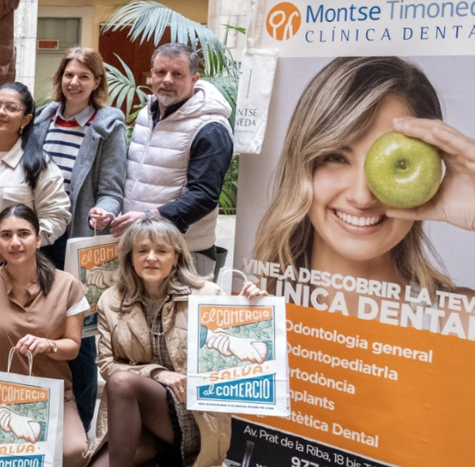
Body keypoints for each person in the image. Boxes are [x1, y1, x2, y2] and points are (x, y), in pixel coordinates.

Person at [70, 217, 266, 467]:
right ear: (129, 256)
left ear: (176, 256)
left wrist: (252, 307)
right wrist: (158, 373)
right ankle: (166, 463)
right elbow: (106, 363)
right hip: (142, 419)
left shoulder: (207, 294)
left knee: (122, 383)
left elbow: (236, 351)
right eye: (142, 250)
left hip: (194, 414)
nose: (151, 258)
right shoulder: (110, 301)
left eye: (162, 250)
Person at [254, 56, 475, 294]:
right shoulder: (248, 309)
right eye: (336, 158)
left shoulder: (462, 319)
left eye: (380, 165)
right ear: (300, 165)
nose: (362, 197)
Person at [32, 47, 127, 432]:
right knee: (37, 328)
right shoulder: (41, 121)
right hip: (39, 240)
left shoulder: (107, 126)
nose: (75, 82)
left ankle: (80, 427)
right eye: (69, 75)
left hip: (78, 242)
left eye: (84, 76)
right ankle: (39, 422)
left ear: (96, 82)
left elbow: (112, 188)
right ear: (60, 78)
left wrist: (103, 210)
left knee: (81, 339)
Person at [0, 204, 90, 467]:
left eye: (24, 233)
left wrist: (48, 345)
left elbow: (73, 346)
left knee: (74, 454)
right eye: (6, 235)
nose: (15, 242)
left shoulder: (67, 285)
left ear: (39, 238)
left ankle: (32, 451)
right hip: (2, 397)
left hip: (52, 392)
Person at [112, 43, 234, 279]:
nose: (167, 80)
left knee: (179, 317)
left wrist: (150, 216)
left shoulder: (210, 128)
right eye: (160, 72)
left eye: (177, 74)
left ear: (194, 78)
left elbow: (204, 196)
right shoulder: (146, 115)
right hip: (142, 247)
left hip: (185, 252)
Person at [0, 82, 70, 267]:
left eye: (11, 108)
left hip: (20, 261)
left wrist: (13, 245)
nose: (0, 112)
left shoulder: (39, 165)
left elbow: (56, 217)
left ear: (25, 120)